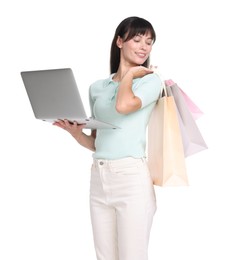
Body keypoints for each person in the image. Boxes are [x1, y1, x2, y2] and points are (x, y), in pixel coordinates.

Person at [53, 16, 162, 260]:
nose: (144, 46)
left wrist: (129, 76)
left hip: (131, 179)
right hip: (99, 178)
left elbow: (124, 105)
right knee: (105, 256)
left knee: (132, 256)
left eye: (149, 41)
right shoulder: (97, 88)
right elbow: (97, 142)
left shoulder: (150, 81)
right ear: (120, 41)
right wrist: (75, 133)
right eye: (137, 39)